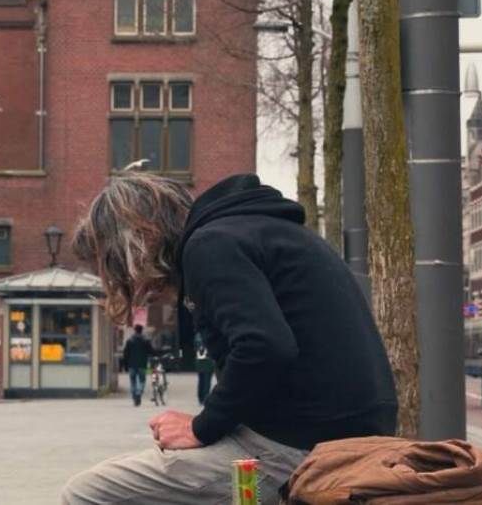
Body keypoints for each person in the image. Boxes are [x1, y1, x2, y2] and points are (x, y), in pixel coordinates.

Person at [64, 173, 397, 504]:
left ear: (136, 243)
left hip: (302, 447)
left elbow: (264, 346)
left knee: (87, 493)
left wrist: (201, 427)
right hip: (347, 433)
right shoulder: (258, 231)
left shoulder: (209, 246)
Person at [122, 325, 154, 407]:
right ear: (141, 330)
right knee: (142, 380)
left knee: (133, 382)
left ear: (135, 330)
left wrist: (125, 364)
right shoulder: (146, 340)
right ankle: (139, 393)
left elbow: (126, 354)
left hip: (131, 364)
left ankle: (134, 397)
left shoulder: (129, 341)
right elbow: (151, 351)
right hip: (142, 364)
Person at [194, 332, 214, 405]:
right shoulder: (209, 335)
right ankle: (205, 398)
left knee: (201, 381)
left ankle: (200, 398)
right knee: (206, 382)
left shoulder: (197, 336)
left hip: (199, 361)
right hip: (207, 361)